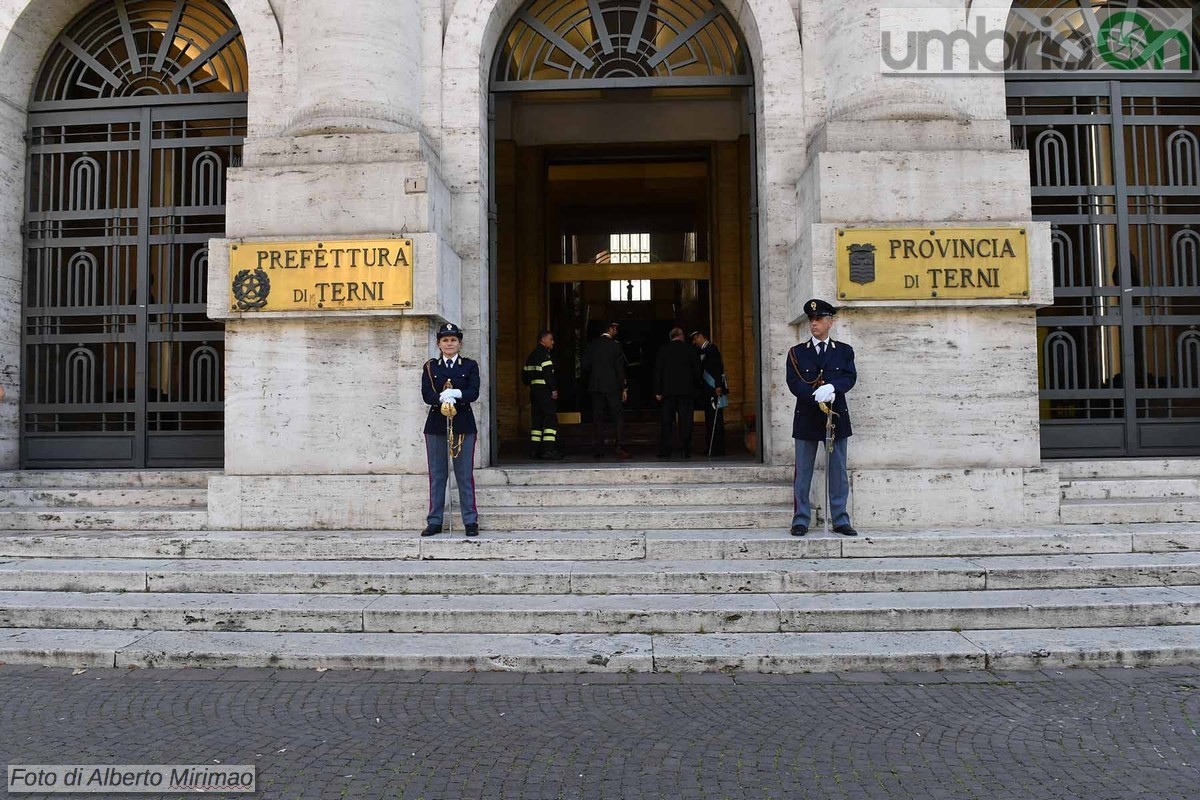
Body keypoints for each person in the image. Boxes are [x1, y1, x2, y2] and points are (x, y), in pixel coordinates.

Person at [785, 299, 857, 537]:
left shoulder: (844, 351)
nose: (814, 324)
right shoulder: (797, 353)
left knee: (837, 471)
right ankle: (801, 519)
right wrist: (815, 395)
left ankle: (840, 518)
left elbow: (850, 377)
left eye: (819, 320)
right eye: (811, 320)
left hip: (835, 417)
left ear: (830, 322)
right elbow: (794, 383)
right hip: (806, 415)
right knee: (803, 472)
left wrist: (833, 388)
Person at [420, 322, 480, 537]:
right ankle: (435, 521)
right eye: (445, 340)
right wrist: (440, 398)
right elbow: (427, 394)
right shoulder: (430, 366)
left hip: (463, 424)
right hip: (437, 424)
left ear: (459, 343)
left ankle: (470, 520)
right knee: (438, 475)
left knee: (464, 475)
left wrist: (457, 394)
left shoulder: (469, 365)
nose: (449, 343)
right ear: (439, 343)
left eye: (453, 340)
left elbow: (474, 392)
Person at [581, 321, 629, 459]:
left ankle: (599, 449)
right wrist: (624, 388)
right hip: (612, 387)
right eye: (616, 328)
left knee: (598, 418)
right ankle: (619, 446)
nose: (617, 331)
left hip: (596, 386)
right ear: (611, 328)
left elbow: (585, 366)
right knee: (617, 417)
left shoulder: (592, 345)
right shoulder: (615, 346)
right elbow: (620, 369)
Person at [655, 327, 702, 459]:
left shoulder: (663, 350)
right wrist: (697, 388)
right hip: (686, 391)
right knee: (686, 421)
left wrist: (658, 391)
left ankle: (665, 450)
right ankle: (685, 449)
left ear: (671, 337)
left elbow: (658, 372)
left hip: (667, 391)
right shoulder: (691, 350)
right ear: (681, 336)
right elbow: (697, 371)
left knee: (666, 421)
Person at [522, 329, 564, 460]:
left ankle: (535, 450)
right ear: (543, 340)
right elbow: (548, 375)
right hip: (545, 392)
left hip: (534, 392)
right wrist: (553, 390)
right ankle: (548, 449)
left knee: (537, 420)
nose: (553, 342)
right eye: (551, 339)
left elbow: (524, 376)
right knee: (550, 419)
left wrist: (533, 384)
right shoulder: (545, 355)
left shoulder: (531, 355)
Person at [690, 330, 728, 456]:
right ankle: (711, 447)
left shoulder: (712, 349)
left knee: (715, 419)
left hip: (714, 389)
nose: (694, 342)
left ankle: (717, 448)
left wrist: (718, 385)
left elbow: (718, 368)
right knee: (710, 419)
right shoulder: (702, 351)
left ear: (701, 337)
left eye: (695, 339)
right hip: (707, 390)